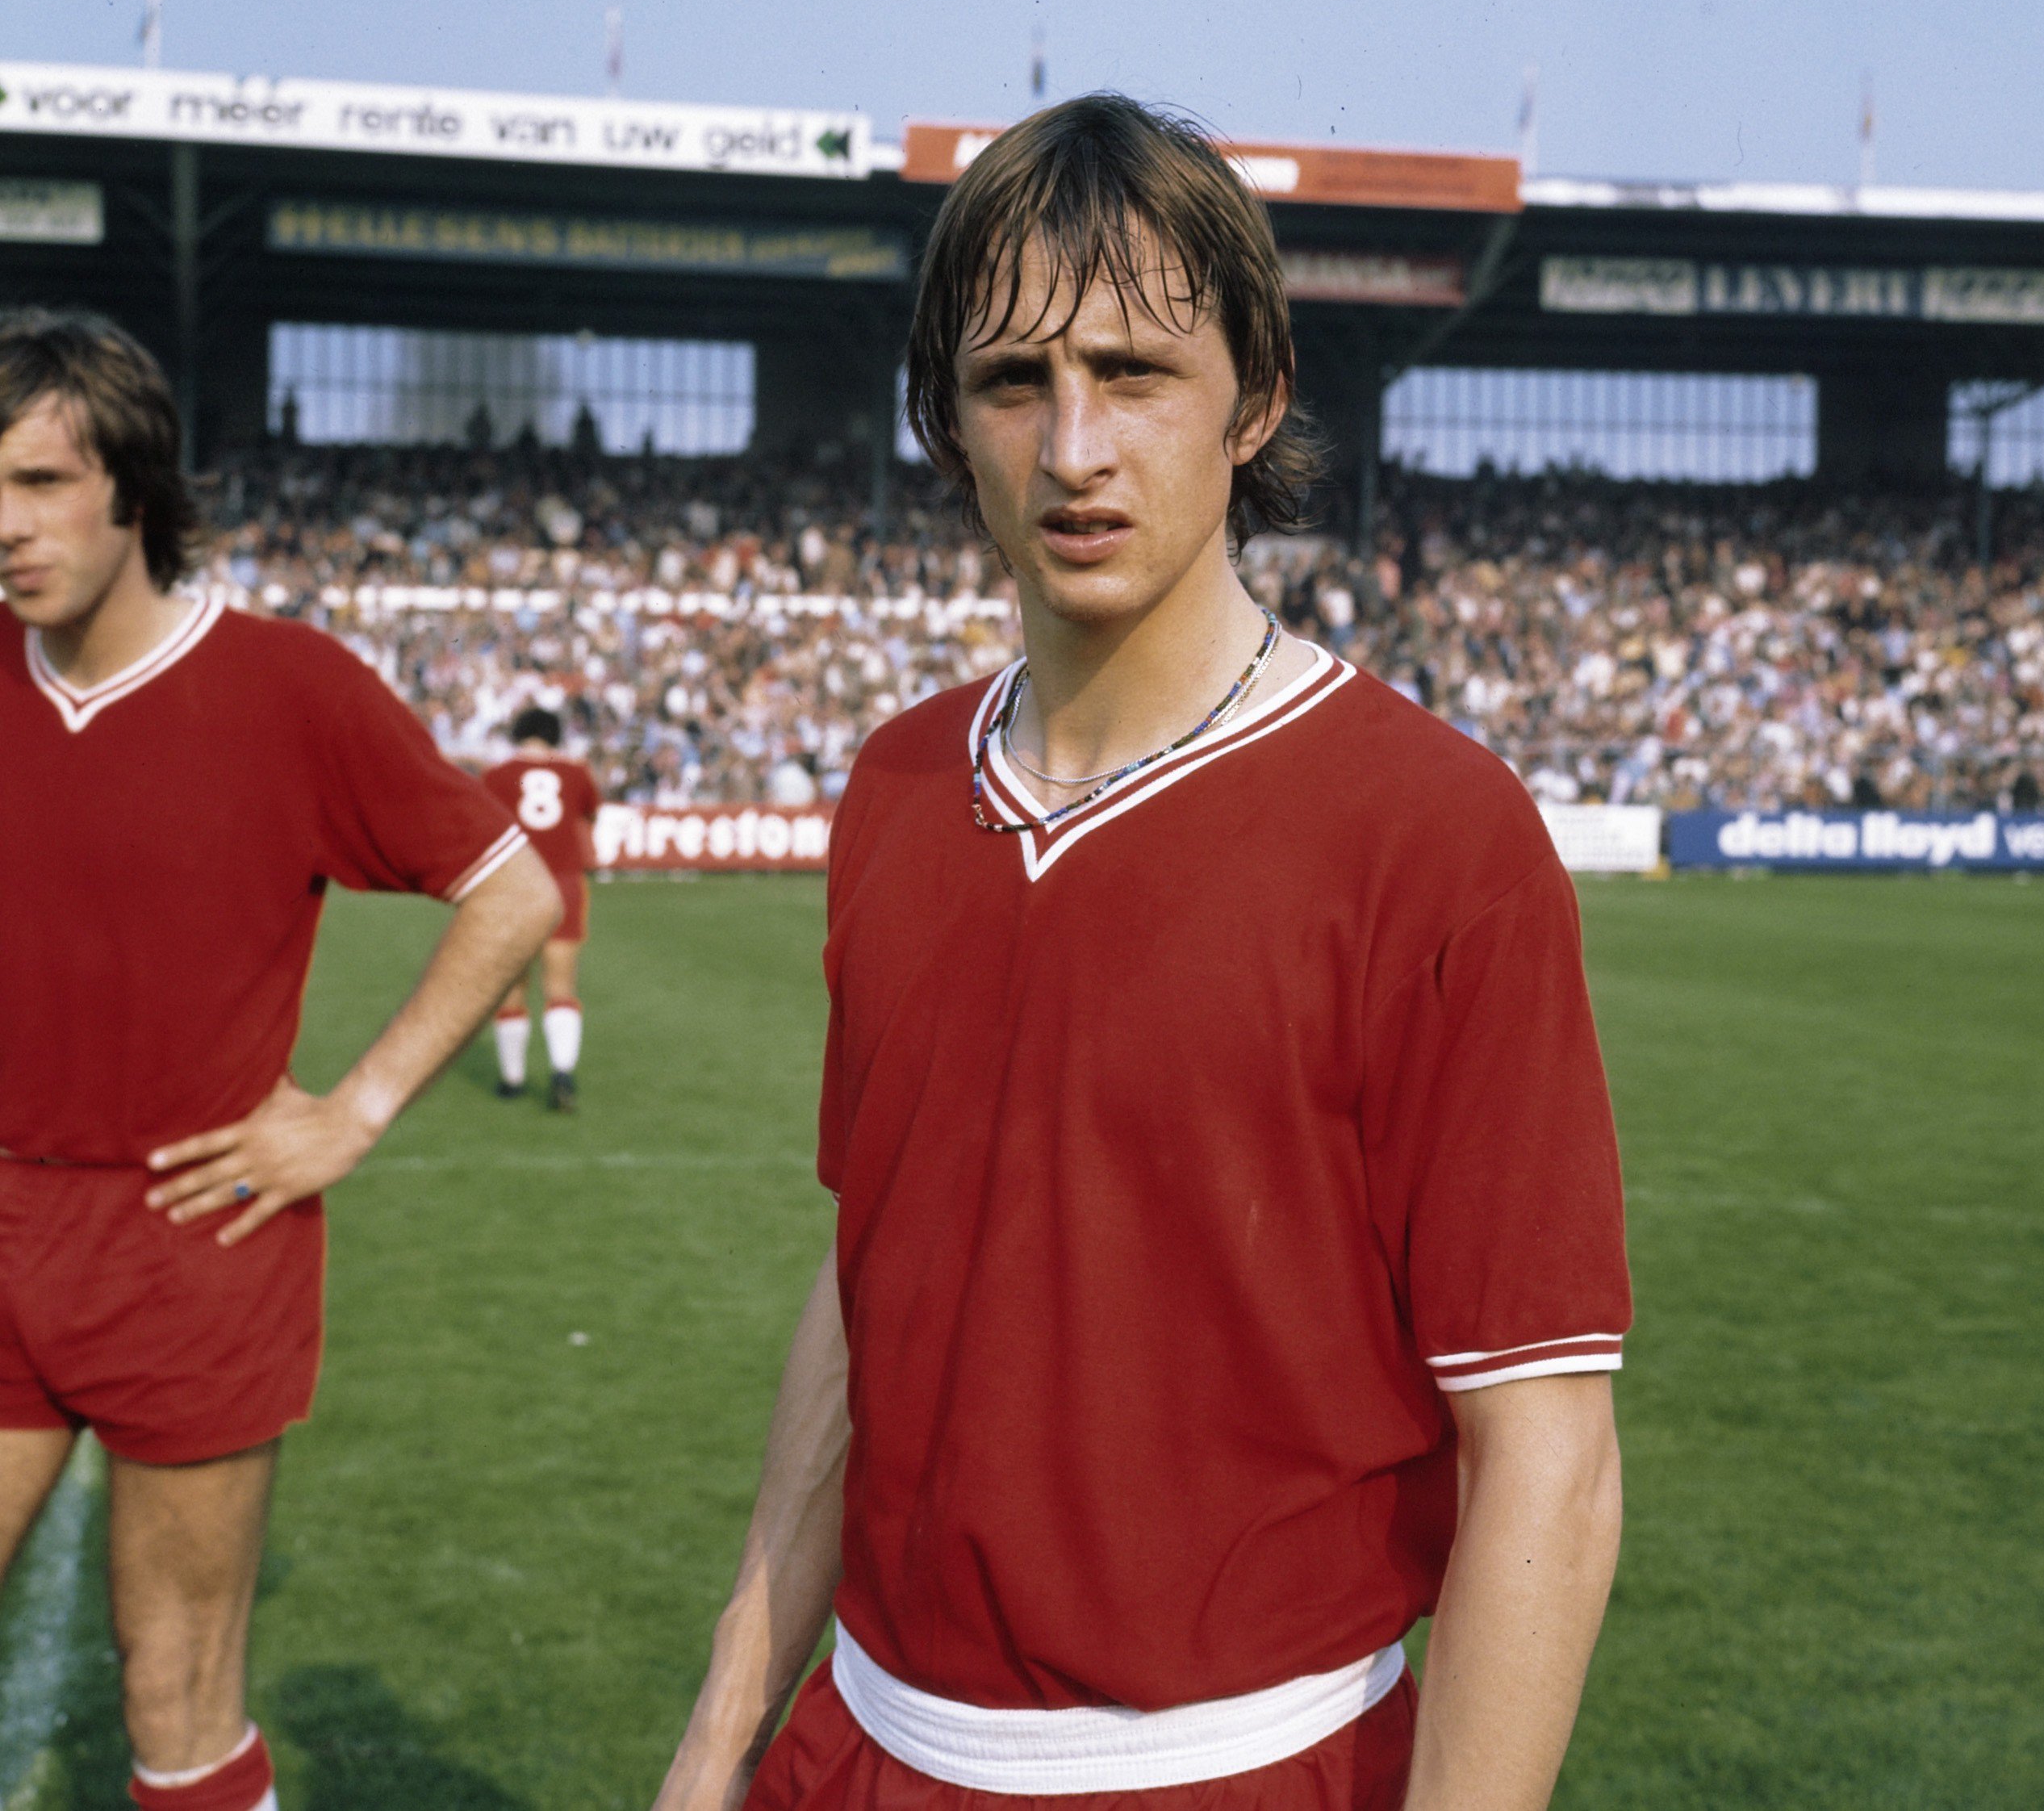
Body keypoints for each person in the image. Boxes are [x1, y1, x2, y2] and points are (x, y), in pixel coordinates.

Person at [654, 96, 1631, 1811]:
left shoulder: (1433, 832)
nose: (1073, 447)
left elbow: (1544, 1453)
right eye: (1011, 382)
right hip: (858, 1747)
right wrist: (727, 1718)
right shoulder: (895, 787)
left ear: (1253, 399)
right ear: (945, 421)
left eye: (1132, 372)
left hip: (1244, 1762)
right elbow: (869, 1270)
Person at [0, 309, 562, 1811]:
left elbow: (514, 893)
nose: (7, 524)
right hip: (5, 1209)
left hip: (194, 1230)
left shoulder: (288, 687)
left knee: (172, 1690)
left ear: (135, 487)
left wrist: (356, 1108)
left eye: (40, 481)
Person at [481, 705, 602, 1110]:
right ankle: (562, 1072)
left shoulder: (497, 775)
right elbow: (590, 813)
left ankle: (513, 1079)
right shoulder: (576, 772)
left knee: (512, 985)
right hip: (563, 883)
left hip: (515, 884)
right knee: (561, 985)